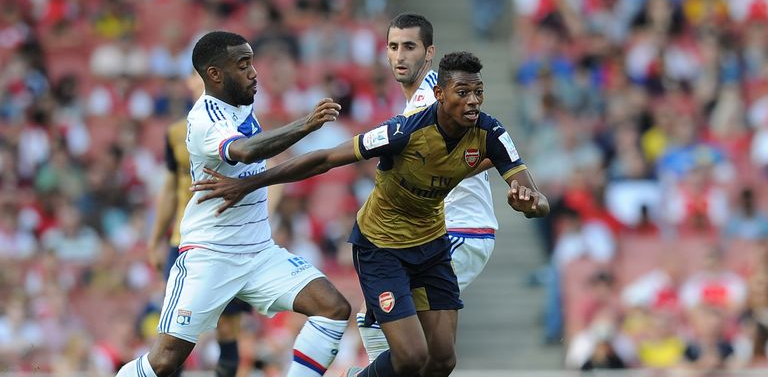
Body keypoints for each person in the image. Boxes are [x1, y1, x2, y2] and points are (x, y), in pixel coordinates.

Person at [191, 51, 550, 377]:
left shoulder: (490, 132)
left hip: (432, 246)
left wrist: (530, 203)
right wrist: (248, 184)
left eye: (478, 92)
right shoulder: (403, 132)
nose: (473, 101)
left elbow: (536, 197)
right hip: (382, 248)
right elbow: (326, 158)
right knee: (410, 357)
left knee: (442, 361)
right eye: (463, 92)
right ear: (440, 94)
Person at [116, 31, 351, 377]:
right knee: (164, 361)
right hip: (210, 257)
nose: (254, 73)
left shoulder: (241, 104)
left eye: (251, 62)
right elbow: (244, 151)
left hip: (259, 254)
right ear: (214, 74)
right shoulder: (204, 118)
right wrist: (306, 124)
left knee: (333, 308)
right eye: (243, 66)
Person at [353, 12, 507, 363]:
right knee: (427, 351)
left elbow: (490, 149)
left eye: (410, 47)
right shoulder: (421, 101)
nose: (400, 55)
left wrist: (443, 175)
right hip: (443, 230)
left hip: (459, 228)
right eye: (394, 47)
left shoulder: (431, 101)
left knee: (374, 318)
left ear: (429, 53)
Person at [145, 73, 252, 377]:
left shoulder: (242, 129)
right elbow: (170, 189)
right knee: (174, 329)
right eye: (195, 76)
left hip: (227, 240)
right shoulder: (176, 133)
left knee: (228, 327)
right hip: (184, 241)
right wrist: (155, 240)